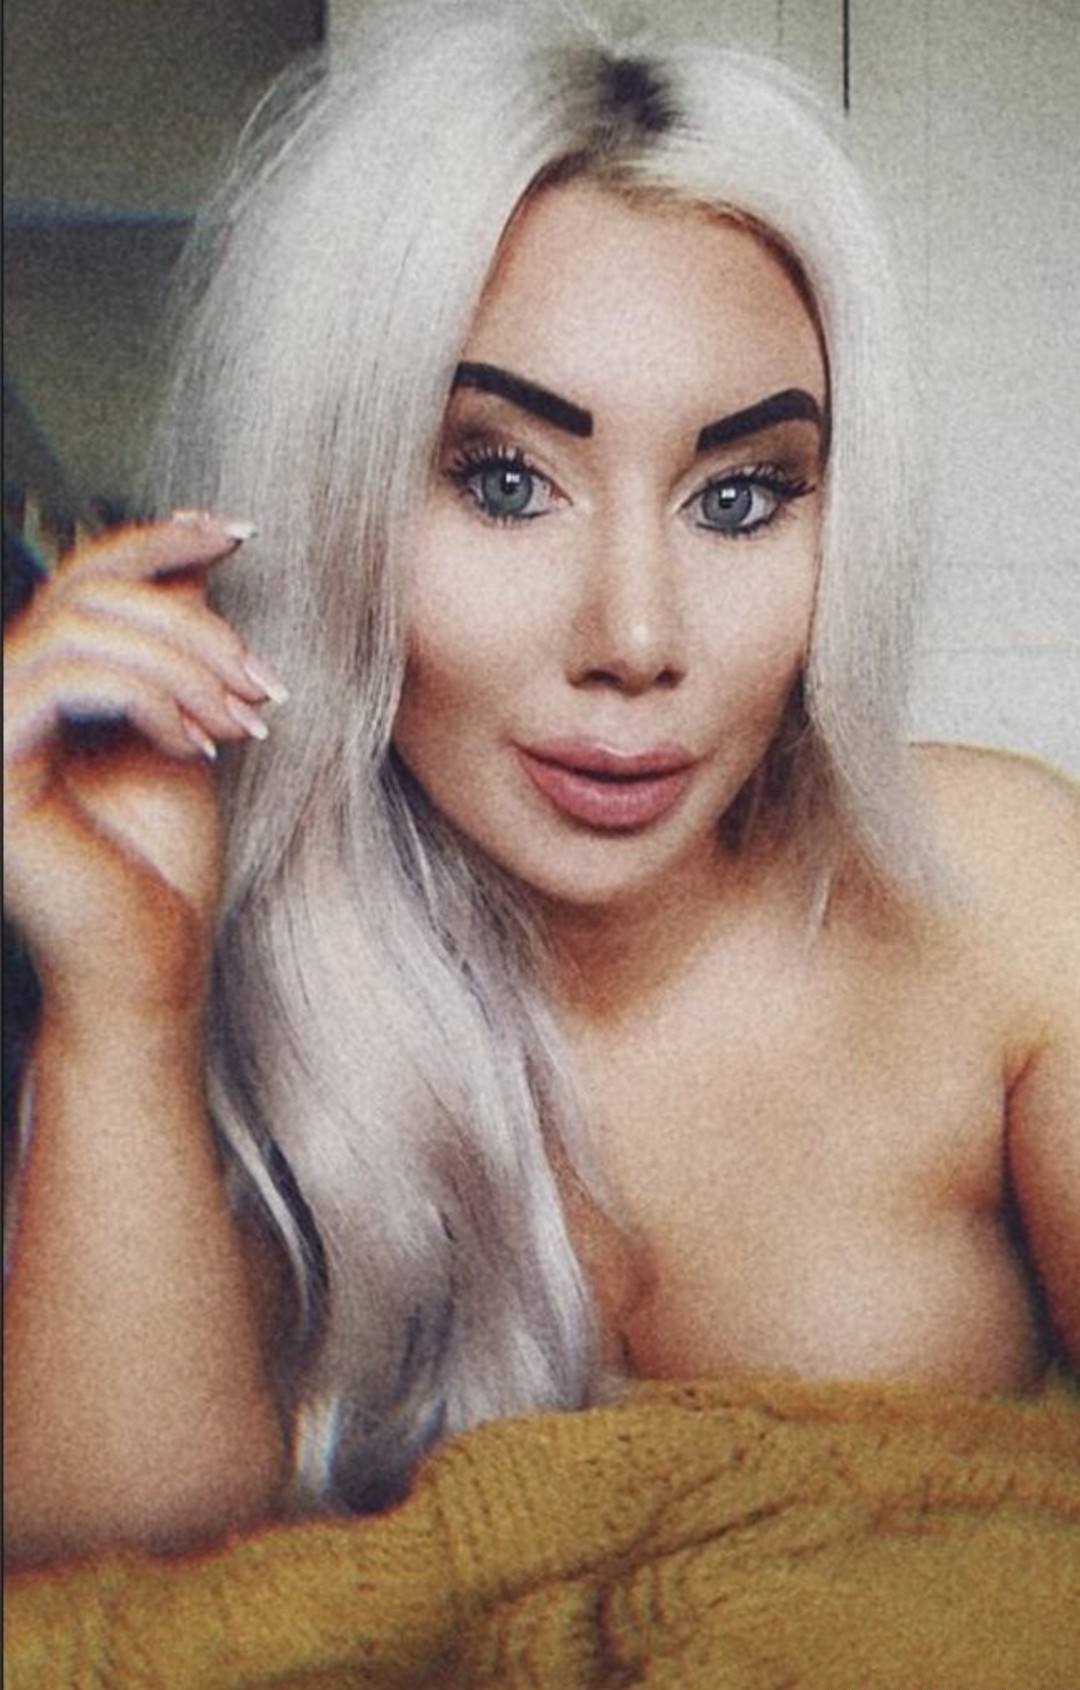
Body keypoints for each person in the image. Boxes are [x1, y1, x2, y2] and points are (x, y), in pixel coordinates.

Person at [4, 0, 1077, 1568]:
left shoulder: (1011, 892)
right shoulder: (207, 944)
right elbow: (115, 1628)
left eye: (742, 496)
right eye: (504, 480)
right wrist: (125, 1005)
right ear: (324, 493)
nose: (635, 640)